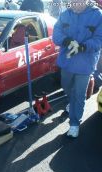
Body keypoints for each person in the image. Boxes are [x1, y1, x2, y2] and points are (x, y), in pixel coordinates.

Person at [52, 0, 102, 138]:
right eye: (72, 1)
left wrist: (81, 47)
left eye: (78, 1)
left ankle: (74, 124)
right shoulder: (65, 14)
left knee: (79, 94)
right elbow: (56, 34)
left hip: (85, 64)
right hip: (67, 62)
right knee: (67, 87)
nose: (75, 4)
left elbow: (99, 39)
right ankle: (72, 103)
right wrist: (67, 41)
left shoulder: (98, 15)